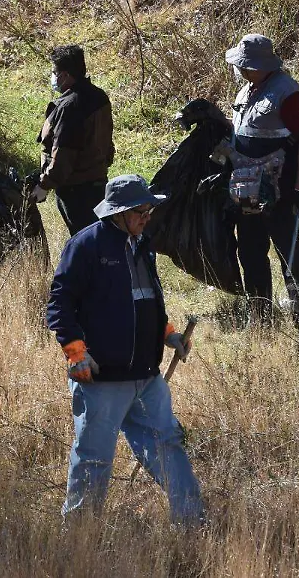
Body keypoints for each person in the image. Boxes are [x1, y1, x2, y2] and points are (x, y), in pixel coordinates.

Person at [46, 175, 204, 525]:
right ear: (117, 213)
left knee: (170, 446)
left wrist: (169, 336)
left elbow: (146, 302)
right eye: (140, 210)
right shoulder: (86, 246)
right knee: (94, 460)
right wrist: (76, 353)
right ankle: (80, 536)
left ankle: (193, 523)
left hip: (147, 377)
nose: (147, 216)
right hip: (102, 380)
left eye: (149, 209)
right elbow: (59, 304)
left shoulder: (143, 245)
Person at [224, 33, 299, 327]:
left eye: (242, 64)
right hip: (246, 193)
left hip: (281, 194)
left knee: (290, 256)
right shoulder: (246, 91)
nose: (238, 69)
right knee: (250, 254)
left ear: (256, 65)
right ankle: (260, 317)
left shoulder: (288, 94)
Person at [29, 44, 115, 236]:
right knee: (97, 239)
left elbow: (64, 155)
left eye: (54, 73)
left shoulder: (70, 106)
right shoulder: (99, 96)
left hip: (76, 191)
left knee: (84, 244)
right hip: (98, 183)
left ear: (65, 75)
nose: (53, 78)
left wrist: (44, 185)